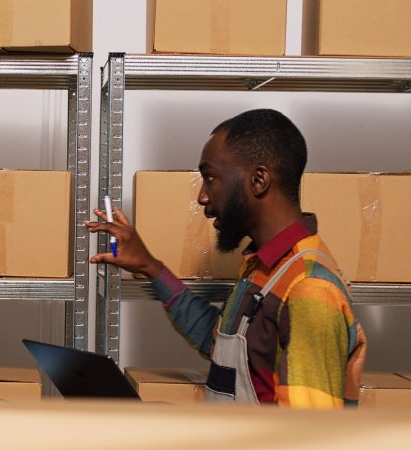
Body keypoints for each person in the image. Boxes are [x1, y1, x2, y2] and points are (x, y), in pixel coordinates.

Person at [87, 109, 367, 408]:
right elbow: (220, 345)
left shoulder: (309, 288)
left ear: (259, 180)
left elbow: (307, 433)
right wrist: (150, 267)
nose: (202, 197)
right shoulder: (265, 267)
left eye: (211, 178)